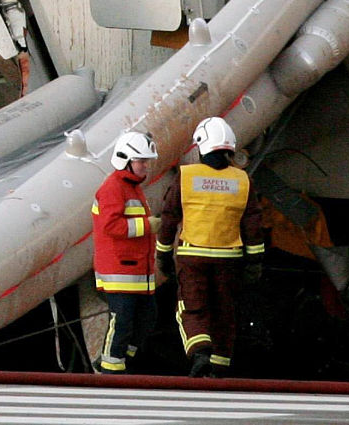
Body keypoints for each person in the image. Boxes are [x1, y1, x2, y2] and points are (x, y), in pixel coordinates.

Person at [156, 116, 264, 378]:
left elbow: (169, 217)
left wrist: (163, 255)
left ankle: (200, 354)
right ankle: (220, 366)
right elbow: (253, 224)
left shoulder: (186, 176)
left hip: (193, 254)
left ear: (201, 146)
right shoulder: (242, 180)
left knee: (192, 306)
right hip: (229, 257)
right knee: (223, 309)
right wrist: (254, 261)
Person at [91, 130, 159, 373]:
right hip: (120, 269)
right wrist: (147, 226)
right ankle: (111, 364)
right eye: (142, 161)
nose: (146, 166)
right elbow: (111, 226)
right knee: (122, 320)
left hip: (138, 270)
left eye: (147, 161)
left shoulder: (132, 187)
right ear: (126, 160)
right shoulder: (113, 188)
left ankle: (120, 358)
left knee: (146, 318)